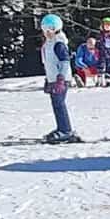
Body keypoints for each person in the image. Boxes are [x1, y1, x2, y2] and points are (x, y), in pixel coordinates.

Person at [40, 14, 79, 144]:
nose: (47, 32)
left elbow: (65, 62)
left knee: (59, 104)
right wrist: (48, 79)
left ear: (56, 29)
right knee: (56, 104)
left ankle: (66, 130)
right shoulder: (48, 43)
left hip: (61, 80)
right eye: (45, 29)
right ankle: (61, 127)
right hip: (53, 79)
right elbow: (49, 63)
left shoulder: (58, 44)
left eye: (50, 29)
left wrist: (61, 78)